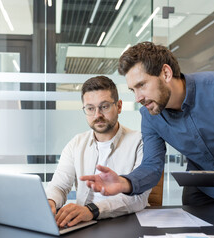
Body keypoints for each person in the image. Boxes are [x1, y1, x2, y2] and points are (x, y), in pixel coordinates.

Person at [80, 42, 214, 206]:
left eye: (142, 85)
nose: (138, 97)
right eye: (133, 90)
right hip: (202, 185)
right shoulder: (150, 115)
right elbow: (152, 165)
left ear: (166, 73)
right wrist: (125, 182)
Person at [46, 76, 150, 228]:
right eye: (90, 108)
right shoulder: (76, 143)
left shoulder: (140, 142)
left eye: (105, 106)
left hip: (126, 224)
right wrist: (50, 202)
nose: (97, 115)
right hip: (82, 224)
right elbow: (59, 186)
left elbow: (138, 198)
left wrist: (91, 210)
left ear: (119, 106)